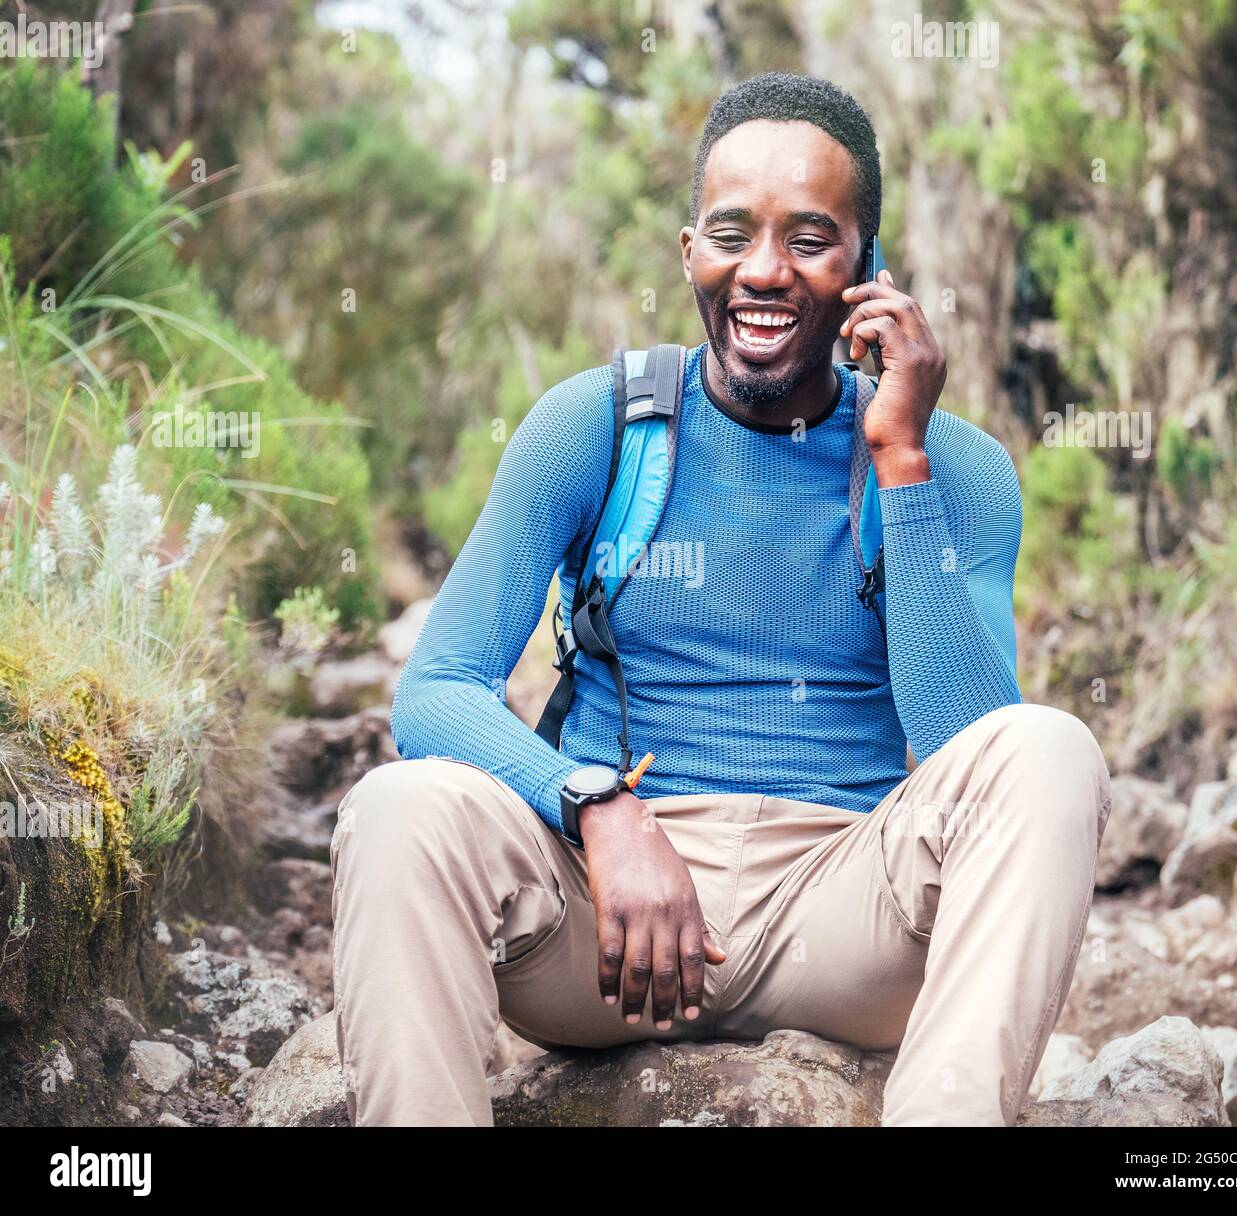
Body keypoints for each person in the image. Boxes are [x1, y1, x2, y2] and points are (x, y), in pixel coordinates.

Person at [330, 71, 1112, 1127]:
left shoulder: (953, 470)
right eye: (732, 231)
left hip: (845, 916)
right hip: (607, 931)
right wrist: (594, 805)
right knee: (397, 806)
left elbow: (963, 740)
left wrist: (899, 456)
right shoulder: (595, 427)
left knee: (1049, 749)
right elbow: (435, 691)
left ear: (867, 268)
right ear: (688, 249)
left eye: (808, 238)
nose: (762, 270)